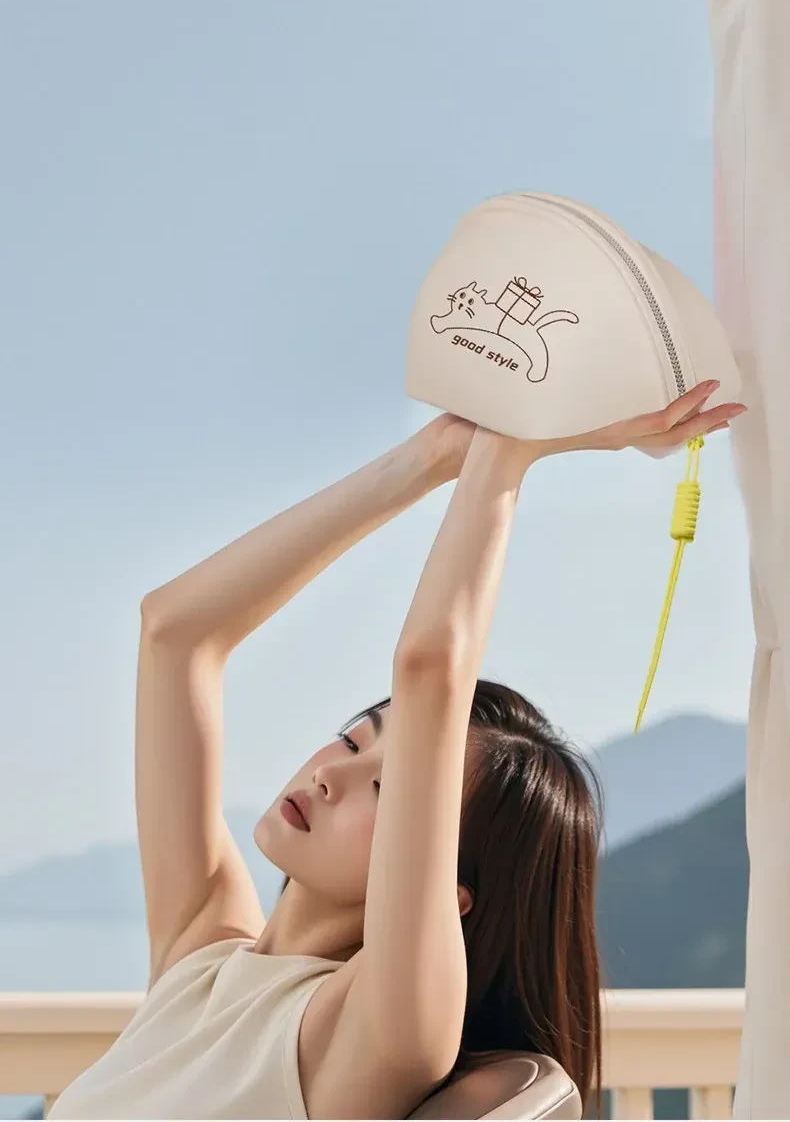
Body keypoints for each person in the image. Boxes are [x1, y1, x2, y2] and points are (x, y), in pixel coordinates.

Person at [49, 380, 744, 1121]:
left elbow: (428, 669)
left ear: (449, 892)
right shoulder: (201, 961)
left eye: (388, 787)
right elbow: (174, 633)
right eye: (351, 740)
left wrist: (512, 449)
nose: (331, 774)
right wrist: (429, 459)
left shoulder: (382, 1033)